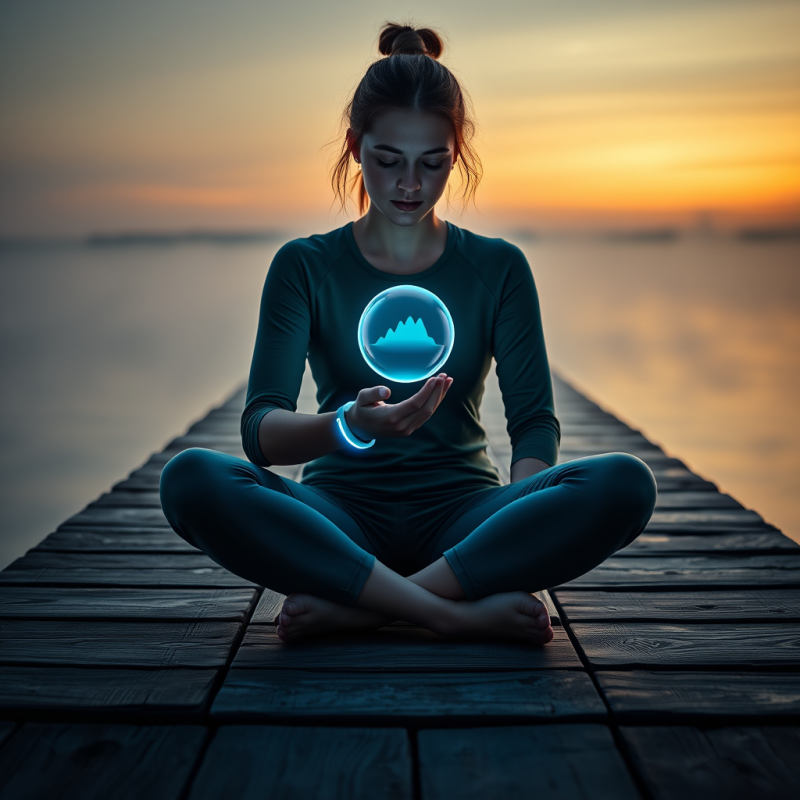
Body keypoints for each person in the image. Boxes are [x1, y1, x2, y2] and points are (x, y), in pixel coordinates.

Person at [159, 21, 657, 645]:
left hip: (465, 518)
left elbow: (533, 423)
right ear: (354, 145)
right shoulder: (305, 266)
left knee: (625, 482)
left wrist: (522, 520)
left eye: (433, 163)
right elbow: (261, 433)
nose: (409, 185)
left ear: (459, 154)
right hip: (336, 518)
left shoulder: (499, 267)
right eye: (387, 160)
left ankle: (367, 605)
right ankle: (448, 611)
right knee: (191, 479)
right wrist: (348, 427)